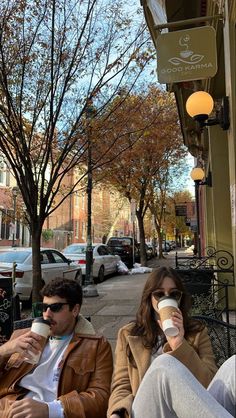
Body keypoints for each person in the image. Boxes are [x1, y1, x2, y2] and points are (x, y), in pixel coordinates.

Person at [107, 266, 218, 418]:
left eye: (173, 294)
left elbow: (210, 385)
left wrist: (179, 345)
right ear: (149, 297)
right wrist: (117, 413)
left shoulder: (197, 332)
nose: (167, 298)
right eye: (159, 294)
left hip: (187, 410)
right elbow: (122, 385)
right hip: (146, 409)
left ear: (180, 298)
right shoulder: (128, 334)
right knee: (164, 363)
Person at [0, 277, 113, 418]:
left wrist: (50, 410)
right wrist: (5, 350)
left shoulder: (96, 346)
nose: (47, 314)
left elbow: (100, 397)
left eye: (55, 308)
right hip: (9, 409)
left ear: (75, 310)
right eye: (43, 307)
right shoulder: (21, 336)